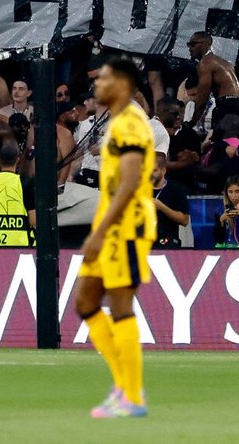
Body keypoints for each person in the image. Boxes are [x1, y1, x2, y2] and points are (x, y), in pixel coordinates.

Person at [73, 57, 155, 419]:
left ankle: (131, 396)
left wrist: (100, 231)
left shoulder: (132, 124)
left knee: (121, 306)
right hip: (111, 229)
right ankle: (124, 386)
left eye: (104, 79)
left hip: (127, 228)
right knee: (86, 302)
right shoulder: (117, 122)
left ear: (121, 85)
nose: (97, 85)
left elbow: (131, 183)